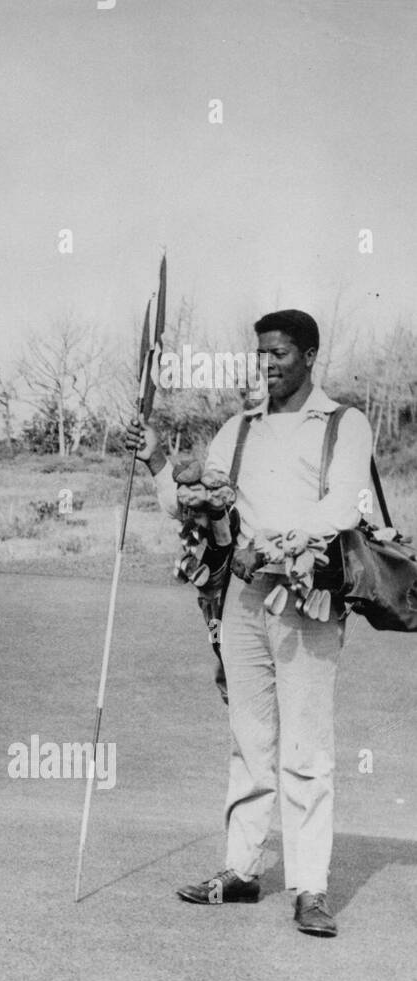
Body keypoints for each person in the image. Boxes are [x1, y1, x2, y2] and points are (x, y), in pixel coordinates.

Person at [127, 310, 373, 937]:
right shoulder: (236, 430)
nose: (268, 363)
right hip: (241, 601)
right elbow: (197, 510)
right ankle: (240, 871)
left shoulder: (344, 424)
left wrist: (270, 545)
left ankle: (310, 888)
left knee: (306, 747)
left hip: (306, 601)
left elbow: (342, 505)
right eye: (261, 352)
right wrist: (158, 464)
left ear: (311, 355)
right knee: (249, 739)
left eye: (281, 353)